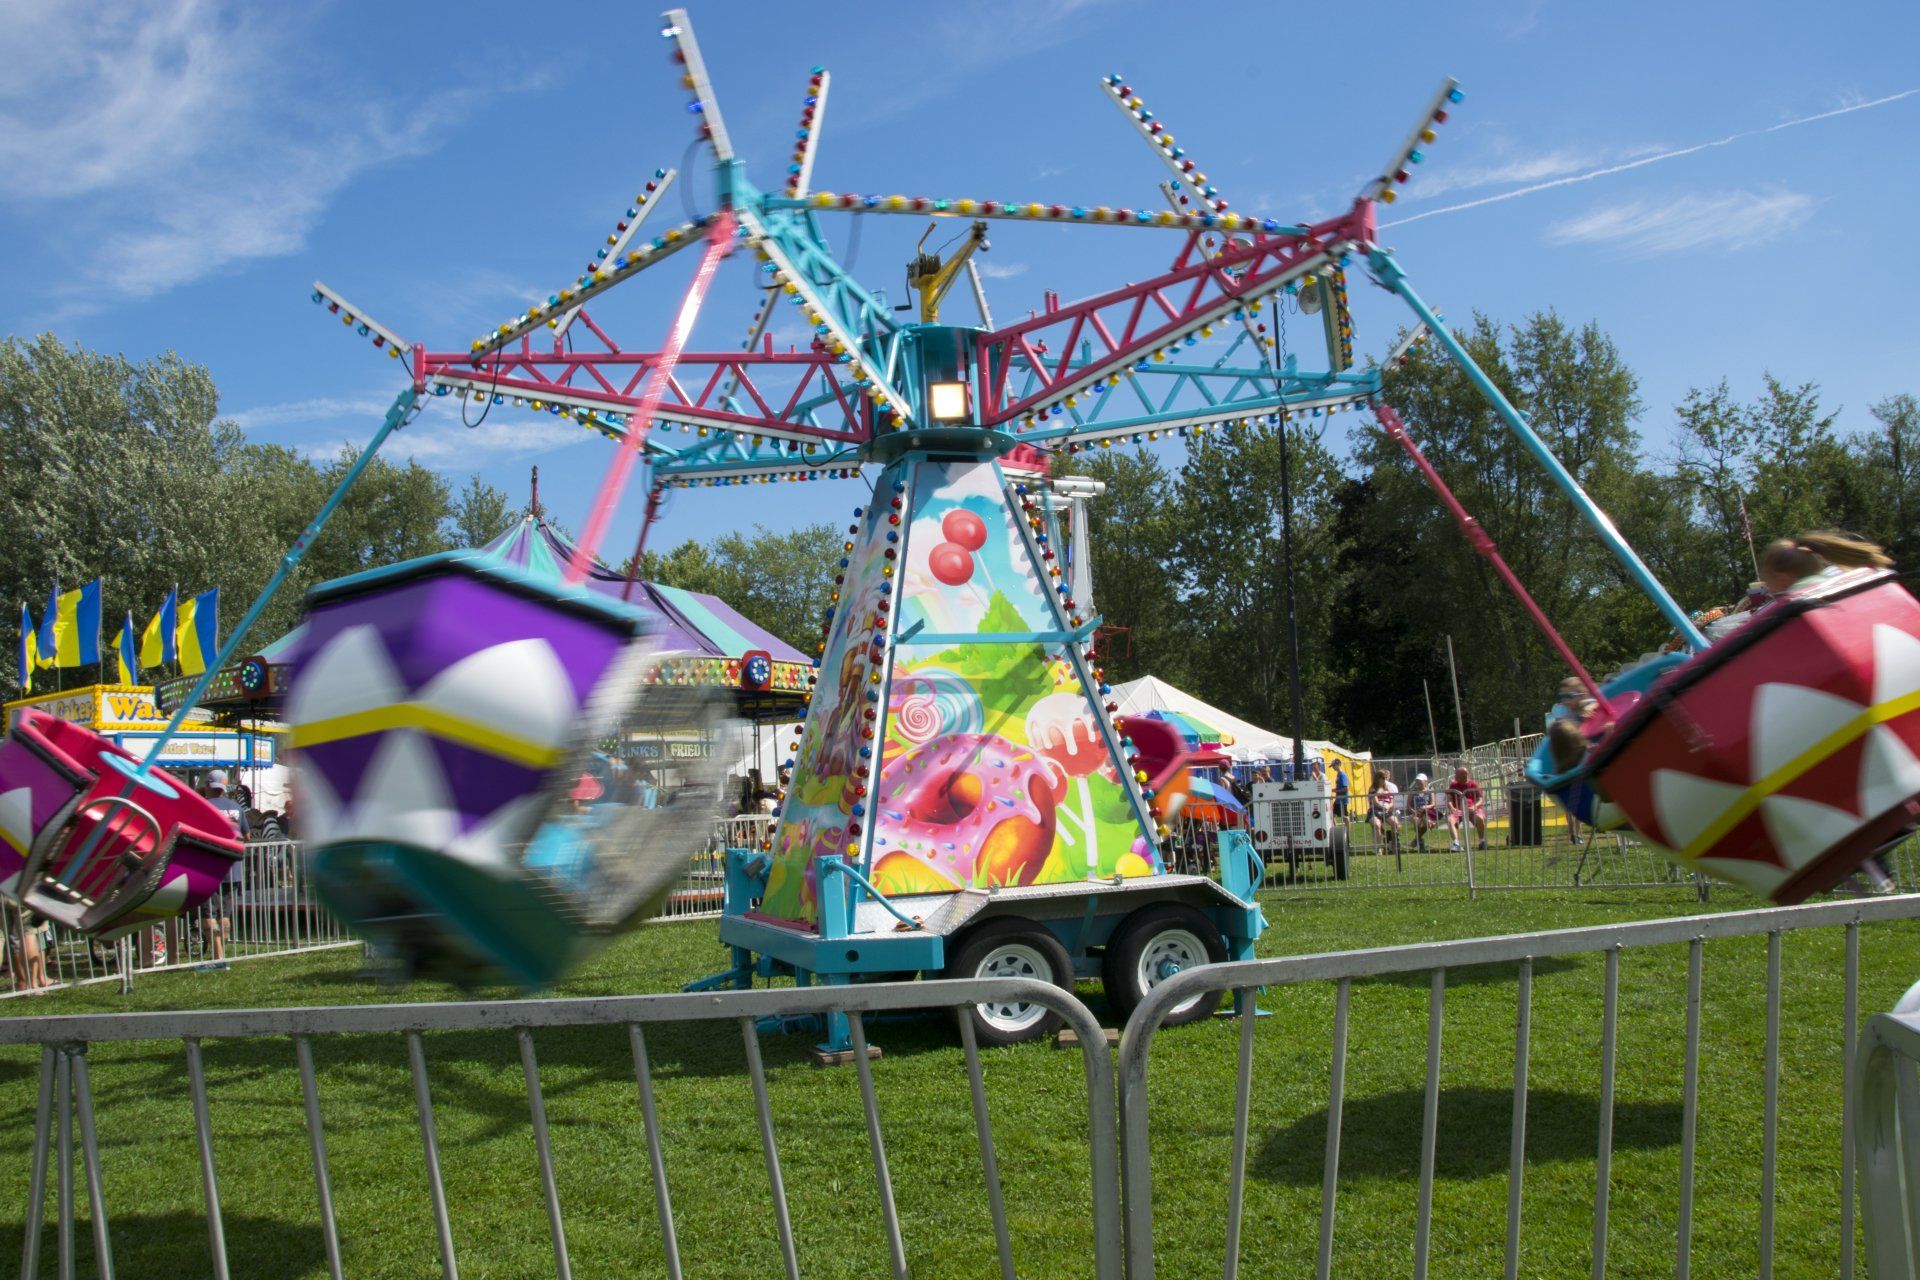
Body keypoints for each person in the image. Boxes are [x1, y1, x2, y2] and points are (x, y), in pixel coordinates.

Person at [1759, 530, 1893, 595]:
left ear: (1783, 578)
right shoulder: (1834, 583)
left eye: (1767, 583)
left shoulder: (1796, 601)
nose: (1768, 590)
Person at [1445, 765, 1490, 851]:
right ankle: (1456, 844)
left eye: (1456, 775)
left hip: (1472, 809)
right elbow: (1449, 799)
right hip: (1458, 810)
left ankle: (1482, 842)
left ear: (1464, 775)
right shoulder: (1453, 785)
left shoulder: (1474, 784)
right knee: (1450, 820)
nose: (1454, 776)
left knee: (1479, 818)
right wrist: (1452, 808)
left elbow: (1481, 799)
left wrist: (1474, 806)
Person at [203, 771, 249, 841]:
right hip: (232, 850)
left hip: (210, 850)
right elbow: (247, 837)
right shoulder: (237, 807)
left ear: (207, 784)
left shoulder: (202, 807)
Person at [1405, 773, 1439, 852]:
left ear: (1425, 782)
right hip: (1415, 813)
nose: (1418, 783)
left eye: (1420, 781)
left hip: (1425, 812)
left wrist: (1425, 807)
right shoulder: (1413, 792)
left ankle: (1417, 839)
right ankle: (1421, 844)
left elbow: (1433, 804)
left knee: (1427, 823)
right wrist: (1415, 812)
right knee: (1417, 823)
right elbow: (1408, 805)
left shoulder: (1430, 791)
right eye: (1417, 781)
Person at [1369, 772, 1400, 854]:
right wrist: (1382, 806)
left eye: (1385, 778)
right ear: (1377, 778)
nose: (1384, 780)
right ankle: (1378, 849)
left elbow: (1392, 802)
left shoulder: (1387, 789)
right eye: (1383, 778)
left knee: (1396, 823)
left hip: (1386, 810)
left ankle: (1393, 844)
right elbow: (1375, 802)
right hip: (1375, 810)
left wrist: (1388, 806)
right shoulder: (1372, 789)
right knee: (1377, 825)